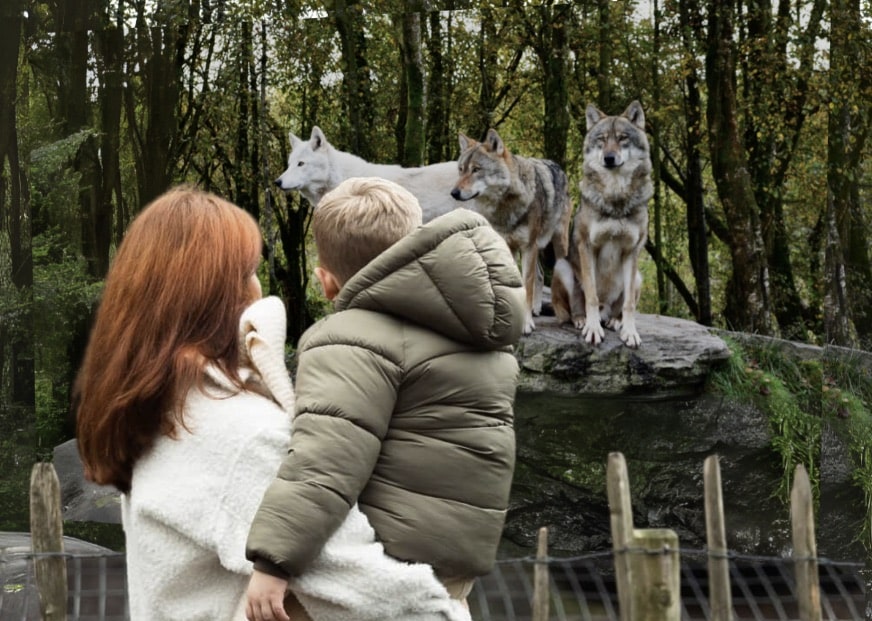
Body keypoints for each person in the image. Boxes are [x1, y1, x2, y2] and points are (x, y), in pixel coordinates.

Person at [74, 186, 468, 621]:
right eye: (249, 271)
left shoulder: (159, 414)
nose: (258, 285)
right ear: (217, 296)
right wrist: (448, 609)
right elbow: (370, 593)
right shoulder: (245, 436)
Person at [245, 177, 527, 621]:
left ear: (326, 281)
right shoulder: (481, 336)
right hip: (452, 572)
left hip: (379, 569)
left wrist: (273, 560)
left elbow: (326, 459)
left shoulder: (348, 338)